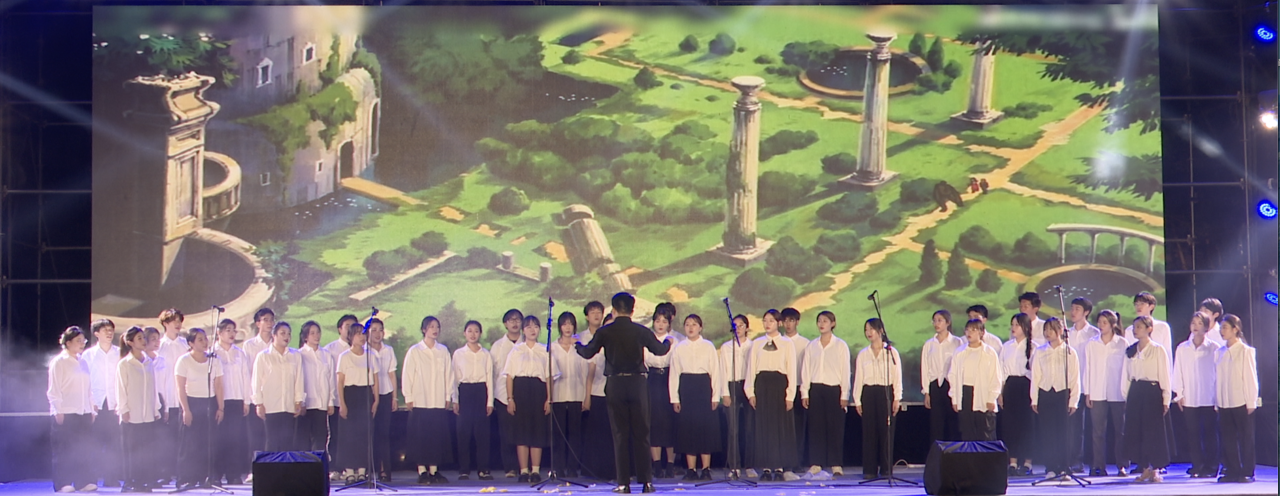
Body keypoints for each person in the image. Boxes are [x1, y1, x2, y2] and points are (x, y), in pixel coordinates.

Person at [576, 292, 672, 494]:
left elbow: (587, 352)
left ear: (613, 310)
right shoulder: (640, 330)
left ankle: (623, 484)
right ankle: (646, 482)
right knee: (642, 434)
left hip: (616, 384)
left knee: (620, 434)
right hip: (637, 383)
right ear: (632, 310)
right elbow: (659, 350)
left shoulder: (605, 331)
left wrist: (577, 345)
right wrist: (668, 343)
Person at [746, 309, 798, 482]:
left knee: (779, 426)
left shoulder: (786, 343)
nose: (767, 324)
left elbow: (791, 370)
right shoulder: (757, 343)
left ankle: (779, 467)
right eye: (765, 320)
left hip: (779, 385)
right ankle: (766, 467)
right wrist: (750, 392)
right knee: (764, 426)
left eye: (771, 321)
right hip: (762, 385)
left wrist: (790, 395)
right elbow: (751, 369)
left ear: (779, 323)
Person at [504, 315, 558, 482]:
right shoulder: (516, 350)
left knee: (537, 431)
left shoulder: (545, 350)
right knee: (521, 432)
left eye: (535, 326)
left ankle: (535, 470)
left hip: (538, 391)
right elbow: (509, 376)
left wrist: (549, 399)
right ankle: (523, 471)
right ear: (523, 330)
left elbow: (549, 377)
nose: (532, 330)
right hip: (520, 391)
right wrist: (510, 399)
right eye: (528, 327)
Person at [669, 314, 721, 481]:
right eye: (687, 324)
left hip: (704, 387)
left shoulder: (708, 346)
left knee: (705, 428)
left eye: (694, 324)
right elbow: (674, 374)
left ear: (700, 327)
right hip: (686, 387)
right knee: (688, 429)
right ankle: (691, 469)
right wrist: (675, 398)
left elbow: (715, 372)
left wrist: (715, 395)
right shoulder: (679, 347)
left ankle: (705, 469)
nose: (690, 327)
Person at [404, 316, 453, 484]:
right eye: (431, 327)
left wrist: (448, 396)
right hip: (420, 400)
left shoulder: (443, 351)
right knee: (420, 437)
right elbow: (408, 375)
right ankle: (422, 471)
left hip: (437, 400)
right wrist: (408, 396)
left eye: (437, 327)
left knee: (436, 436)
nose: (435, 330)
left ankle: (434, 470)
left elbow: (449, 374)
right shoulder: (415, 351)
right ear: (424, 329)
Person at [1121, 316, 1171, 483]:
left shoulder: (1157, 349)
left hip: (1152, 391)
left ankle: (1155, 469)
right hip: (1136, 391)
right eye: (1134, 327)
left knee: (1153, 431)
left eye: (1140, 327)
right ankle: (1144, 469)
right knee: (1137, 431)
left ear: (1149, 329)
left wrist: (1166, 397)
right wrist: (1126, 395)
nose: (1136, 330)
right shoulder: (1131, 350)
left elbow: (1164, 374)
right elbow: (1125, 375)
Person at [174, 328, 225, 490]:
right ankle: (187, 478)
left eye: (205, 339)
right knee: (190, 443)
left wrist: (220, 407)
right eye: (200, 339)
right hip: (191, 403)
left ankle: (208, 477)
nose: (204, 342)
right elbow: (180, 387)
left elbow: (218, 385)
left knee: (209, 442)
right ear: (191, 343)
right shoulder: (184, 361)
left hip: (209, 403)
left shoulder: (214, 361)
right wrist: (186, 410)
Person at [1031, 318, 1081, 479]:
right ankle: (1050, 467)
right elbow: (1036, 376)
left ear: (1060, 331)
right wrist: (1034, 399)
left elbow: (1075, 378)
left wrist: (1073, 401)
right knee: (1048, 433)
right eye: (1045, 330)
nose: (1047, 333)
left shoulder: (1069, 352)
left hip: (1062, 394)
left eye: (1051, 330)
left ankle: (1064, 467)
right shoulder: (1040, 351)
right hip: (1046, 394)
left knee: (1064, 433)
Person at [48, 326, 96, 493]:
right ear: (68, 342)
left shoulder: (83, 362)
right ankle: (63, 483)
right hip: (66, 411)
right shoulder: (59, 362)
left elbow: (88, 388)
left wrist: (92, 409)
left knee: (83, 448)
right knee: (64, 450)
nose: (82, 344)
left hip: (83, 411)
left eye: (83, 341)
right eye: (78, 341)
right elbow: (54, 389)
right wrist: (58, 410)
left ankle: (83, 482)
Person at [1172, 311, 1220, 478]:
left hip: (1209, 397)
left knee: (1210, 434)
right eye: (1193, 323)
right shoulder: (1182, 348)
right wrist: (1179, 394)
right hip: (1190, 397)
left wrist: (1218, 397)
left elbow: (1218, 374)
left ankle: (1211, 467)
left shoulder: (1214, 348)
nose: (1195, 326)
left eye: (1199, 323)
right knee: (1193, 434)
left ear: (1206, 327)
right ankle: (1197, 465)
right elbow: (1177, 371)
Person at [801, 311, 849, 477]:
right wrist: (805, 392)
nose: (821, 324)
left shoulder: (840, 345)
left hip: (834, 389)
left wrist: (844, 394)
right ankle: (816, 463)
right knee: (816, 428)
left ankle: (836, 464)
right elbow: (806, 370)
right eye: (819, 321)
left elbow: (845, 370)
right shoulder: (812, 346)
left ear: (833, 324)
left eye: (825, 321)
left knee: (835, 428)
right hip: (816, 389)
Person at [1083, 309, 1130, 477]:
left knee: (1120, 431)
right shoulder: (1092, 344)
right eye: (1099, 322)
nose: (1101, 325)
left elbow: (1126, 369)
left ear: (1112, 324)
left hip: (1117, 391)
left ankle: (1122, 465)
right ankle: (1098, 465)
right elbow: (1087, 368)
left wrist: (1126, 391)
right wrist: (1088, 392)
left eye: (1105, 322)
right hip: (1097, 390)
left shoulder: (1122, 343)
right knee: (1097, 432)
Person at [853, 318, 901, 480]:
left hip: (885, 392)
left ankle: (886, 468)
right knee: (869, 432)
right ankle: (869, 469)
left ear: (880, 331)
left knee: (886, 432)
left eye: (871, 329)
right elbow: (858, 378)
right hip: (868, 393)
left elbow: (897, 376)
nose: (868, 333)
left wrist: (897, 398)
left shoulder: (891, 352)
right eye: (866, 330)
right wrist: (857, 400)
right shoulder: (863, 354)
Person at [117, 326, 163, 493]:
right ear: (130, 342)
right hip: (132, 414)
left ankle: (144, 480)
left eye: (144, 338)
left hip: (148, 414)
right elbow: (121, 388)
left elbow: (153, 387)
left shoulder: (148, 362)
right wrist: (124, 409)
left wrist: (156, 409)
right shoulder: (125, 364)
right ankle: (130, 481)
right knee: (132, 450)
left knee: (146, 449)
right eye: (139, 338)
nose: (144, 341)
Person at [1214, 314, 1257, 483]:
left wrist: (1251, 401)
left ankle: (1247, 471)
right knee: (1228, 438)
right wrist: (1216, 400)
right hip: (1224, 402)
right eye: (1221, 328)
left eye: (1225, 327)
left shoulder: (1245, 351)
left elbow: (1250, 377)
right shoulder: (1219, 352)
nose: (1222, 331)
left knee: (1245, 438)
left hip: (1241, 401)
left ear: (1235, 329)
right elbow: (1216, 378)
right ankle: (1232, 470)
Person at [452, 320, 494, 481]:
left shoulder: (486, 354)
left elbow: (490, 378)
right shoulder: (458, 354)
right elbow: (454, 379)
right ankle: (464, 469)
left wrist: (489, 402)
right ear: (464, 333)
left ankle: (483, 469)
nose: (473, 334)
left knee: (482, 434)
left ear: (480, 334)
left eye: (476, 331)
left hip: (481, 391)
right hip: (465, 391)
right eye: (469, 331)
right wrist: (455, 399)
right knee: (463, 433)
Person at [337, 322, 380, 482]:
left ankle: (362, 470)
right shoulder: (344, 357)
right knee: (349, 435)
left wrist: (376, 400)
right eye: (357, 334)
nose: (362, 337)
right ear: (350, 336)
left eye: (363, 333)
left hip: (365, 395)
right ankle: (349, 471)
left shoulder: (370, 356)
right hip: (350, 395)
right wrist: (342, 403)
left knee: (364, 434)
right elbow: (340, 382)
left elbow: (375, 380)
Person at [253, 321, 304, 453]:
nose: (286, 336)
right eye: (282, 333)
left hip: (288, 405)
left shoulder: (295, 355)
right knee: (272, 442)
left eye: (288, 334)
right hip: (270, 406)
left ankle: (285, 467)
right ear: (274, 335)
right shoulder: (263, 356)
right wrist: (259, 403)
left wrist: (298, 401)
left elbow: (299, 379)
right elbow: (256, 382)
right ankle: (271, 466)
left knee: (288, 442)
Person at [84, 318, 123, 488]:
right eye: (105, 330)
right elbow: (85, 381)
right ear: (96, 333)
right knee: (94, 443)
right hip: (96, 404)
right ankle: (91, 479)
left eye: (111, 329)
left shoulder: (120, 353)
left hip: (115, 404)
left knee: (114, 443)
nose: (109, 333)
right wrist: (90, 401)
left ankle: (111, 477)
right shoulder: (88, 355)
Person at [948, 319, 1001, 441]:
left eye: (973, 330)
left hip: (982, 394)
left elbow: (995, 376)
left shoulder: (989, 352)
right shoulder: (959, 352)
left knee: (984, 433)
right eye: (967, 330)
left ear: (981, 332)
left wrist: (991, 397)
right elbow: (953, 376)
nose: (969, 333)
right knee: (967, 432)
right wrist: (955, 399)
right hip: (965, 394)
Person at [551, 312, 590, 478]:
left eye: (570, 324)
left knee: (575, 434)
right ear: (560, 327)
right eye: (564, 324)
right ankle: (558, 468)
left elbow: (585, 373)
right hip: (557, 395)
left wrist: (586, 396)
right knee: (558, 434)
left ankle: (573, 467)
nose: (567, 327)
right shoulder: (552, 347)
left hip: (576, 394)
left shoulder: (579, 347)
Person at [213, 319, 251, 485]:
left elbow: (245, 377)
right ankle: (216, 474)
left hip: (236, 400)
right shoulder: (212, 353)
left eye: (233, 330)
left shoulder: (239, 353)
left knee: (234, 439)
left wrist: (246, 401)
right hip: (218, 402)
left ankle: (233, 474)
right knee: (218, 439)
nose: (232, 333)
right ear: (219, 333)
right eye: (228, 330)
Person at [580, 303, 615, 482]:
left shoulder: (617, 343)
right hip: (597, 392)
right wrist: (587, 396)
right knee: (597, 434)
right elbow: (591, 373)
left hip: (616, 393)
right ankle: (596, 469)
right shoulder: (593, 342)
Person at [645, 303, 679, 479]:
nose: (660, 324)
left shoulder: (674, 342)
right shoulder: (646, 340)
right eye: (657, 321)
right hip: (652, 381)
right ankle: (657, 465)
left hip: (669, 379)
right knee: (654, 423)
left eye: (664, 321)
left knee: (669, 423)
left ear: (669, 324)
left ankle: (670, 464)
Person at [1064, 298, 1098, 473]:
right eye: (1072, 308)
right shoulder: (1066, 334)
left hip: (1087, 385)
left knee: (1088, 427)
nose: (1073, 312)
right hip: (1069, 386)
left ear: (1086, 312)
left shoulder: (1094, 334)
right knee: (1071, 426)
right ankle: (1071, 460)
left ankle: (1088, 461)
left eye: (1077, 309)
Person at [719, 314, 755, 478]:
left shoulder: (753, 346)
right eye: (735, 326)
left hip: (748, 386)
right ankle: (735, 465)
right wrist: (725, 393)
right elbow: (723, 370)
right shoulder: (727, 347)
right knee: (733, 428)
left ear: (747, 327)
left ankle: (749, 465)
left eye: (741, 325)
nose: (738, 328)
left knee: (749, 427)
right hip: (732, 385)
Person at [999, 313, 1035, 476]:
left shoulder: (1034, 347)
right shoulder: (1006, 346)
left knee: (1027, 426)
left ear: (1025, 327)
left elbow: (1036, 373)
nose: (1013, 328)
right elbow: (1001, 371)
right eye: (1012, 324)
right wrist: (1000, 392)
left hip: (1026, 387)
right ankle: (1012, 462)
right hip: (1010, 387)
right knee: (1010, 426)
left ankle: (1027, 463)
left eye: (1017, 325)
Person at [922, 310, 964, 446]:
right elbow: (925, 368)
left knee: (953, 423)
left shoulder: (957, 342)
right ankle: (937, 456)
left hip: (951, 385)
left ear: (948, 322)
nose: (936, 323)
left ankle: (954, 454)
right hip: (935, 385)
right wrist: (927, 392)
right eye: (934, 321)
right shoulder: (929, 344)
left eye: (940, 320)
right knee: (936, 425)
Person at [243, 308, 276, 474]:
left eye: (271, 320)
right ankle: (255, 470)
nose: (269, 323)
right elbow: (247, 373)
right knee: (256, 435)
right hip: (256, 397)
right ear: (257, 323)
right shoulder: (249, 345)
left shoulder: (277, 344)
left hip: (275, 398)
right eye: (265, 319)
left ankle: (271, 469)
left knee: (272, 436)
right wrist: (250, 399)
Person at [156, 309, 187, 484]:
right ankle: (165, 473)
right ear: (165, 323)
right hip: (166, 398)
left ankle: (183, 474)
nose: (177, 324)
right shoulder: (159, 346)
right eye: (174, 320)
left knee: (184, 438)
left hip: (184, 399)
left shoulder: (186, 345)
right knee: (166, 439)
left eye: (179, 320)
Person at [492, 309, 524, 478]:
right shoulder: (498, 346)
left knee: (522, 431)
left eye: (517, 319)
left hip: (525, 395)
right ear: (505, 324)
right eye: (511, 320)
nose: (514, 323)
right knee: (506, 433)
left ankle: (524, 467)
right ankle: (510, 467)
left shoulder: (528, 343)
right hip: (502, 395)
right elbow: (493, 372)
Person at [296, 322, 336, 456]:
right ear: (305, 336)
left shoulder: (326, 355)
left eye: (318, 332)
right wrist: (300, 401)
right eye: (312, 333)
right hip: (306, 404)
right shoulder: (299, 355)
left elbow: (330, 379)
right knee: (304, 440)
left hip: (321, 404)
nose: (316, 336)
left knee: (320, 439)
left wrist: (330, 401)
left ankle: (319, 466)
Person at [326, 313, 359, 473]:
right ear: (340, 329)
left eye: (353, 327)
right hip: (336, 399)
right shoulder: (330, 349)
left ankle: (353, 467)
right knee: (336, 434)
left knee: (353, 436)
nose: (350, 330)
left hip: (355, 399)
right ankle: (335, 468)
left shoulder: (361, 350)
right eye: (347, 326)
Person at [367, 319, 398, 481]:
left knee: (383, 434)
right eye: (374, 330)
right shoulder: (364, 351)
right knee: (368, 433)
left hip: (385, 394)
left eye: (380, 330)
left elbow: (391, 374)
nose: (378, 334)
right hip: (369, 395)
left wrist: (394, 397)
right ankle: (366, 469)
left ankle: (384, 470)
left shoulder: (388, 350)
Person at [1125, 292, 1172, 360]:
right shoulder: (1129, 330)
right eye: (1136, 304)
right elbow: (1127, 355)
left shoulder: (1162, 327)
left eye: (1142, 304)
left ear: (1151, 306)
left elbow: (1167, 352)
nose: (1138, 307)